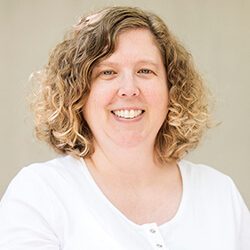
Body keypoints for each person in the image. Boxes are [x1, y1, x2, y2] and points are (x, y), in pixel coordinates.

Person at [0, 6, 249, 250]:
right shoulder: (40, 193)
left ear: (172, 89)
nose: (129, 88)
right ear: (77, 94)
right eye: (107, 72)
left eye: (145, 70)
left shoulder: (219, 193)